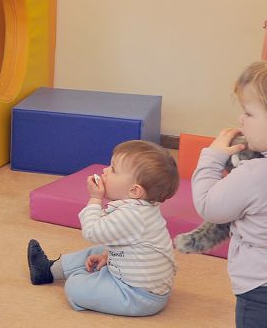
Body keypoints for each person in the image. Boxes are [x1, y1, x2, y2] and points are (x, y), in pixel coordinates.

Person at [27, 139, 179, 317]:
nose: (105, 170)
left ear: (134, 191)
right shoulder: (141, 209)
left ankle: (79, 277)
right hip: (142, 283)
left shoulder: (131, 215)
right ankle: (48, 270)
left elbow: (92, 231)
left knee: (75, 287)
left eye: (113, 169)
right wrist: (107, 255)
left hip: (136, 296)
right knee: (101, 249)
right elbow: (130, 245)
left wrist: (95, 199)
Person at [192, 61, 267, 328]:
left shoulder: (256, 174)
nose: (240, 119)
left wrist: (212, 158)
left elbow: (209, 206)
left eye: (248, 112)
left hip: (259, 289)